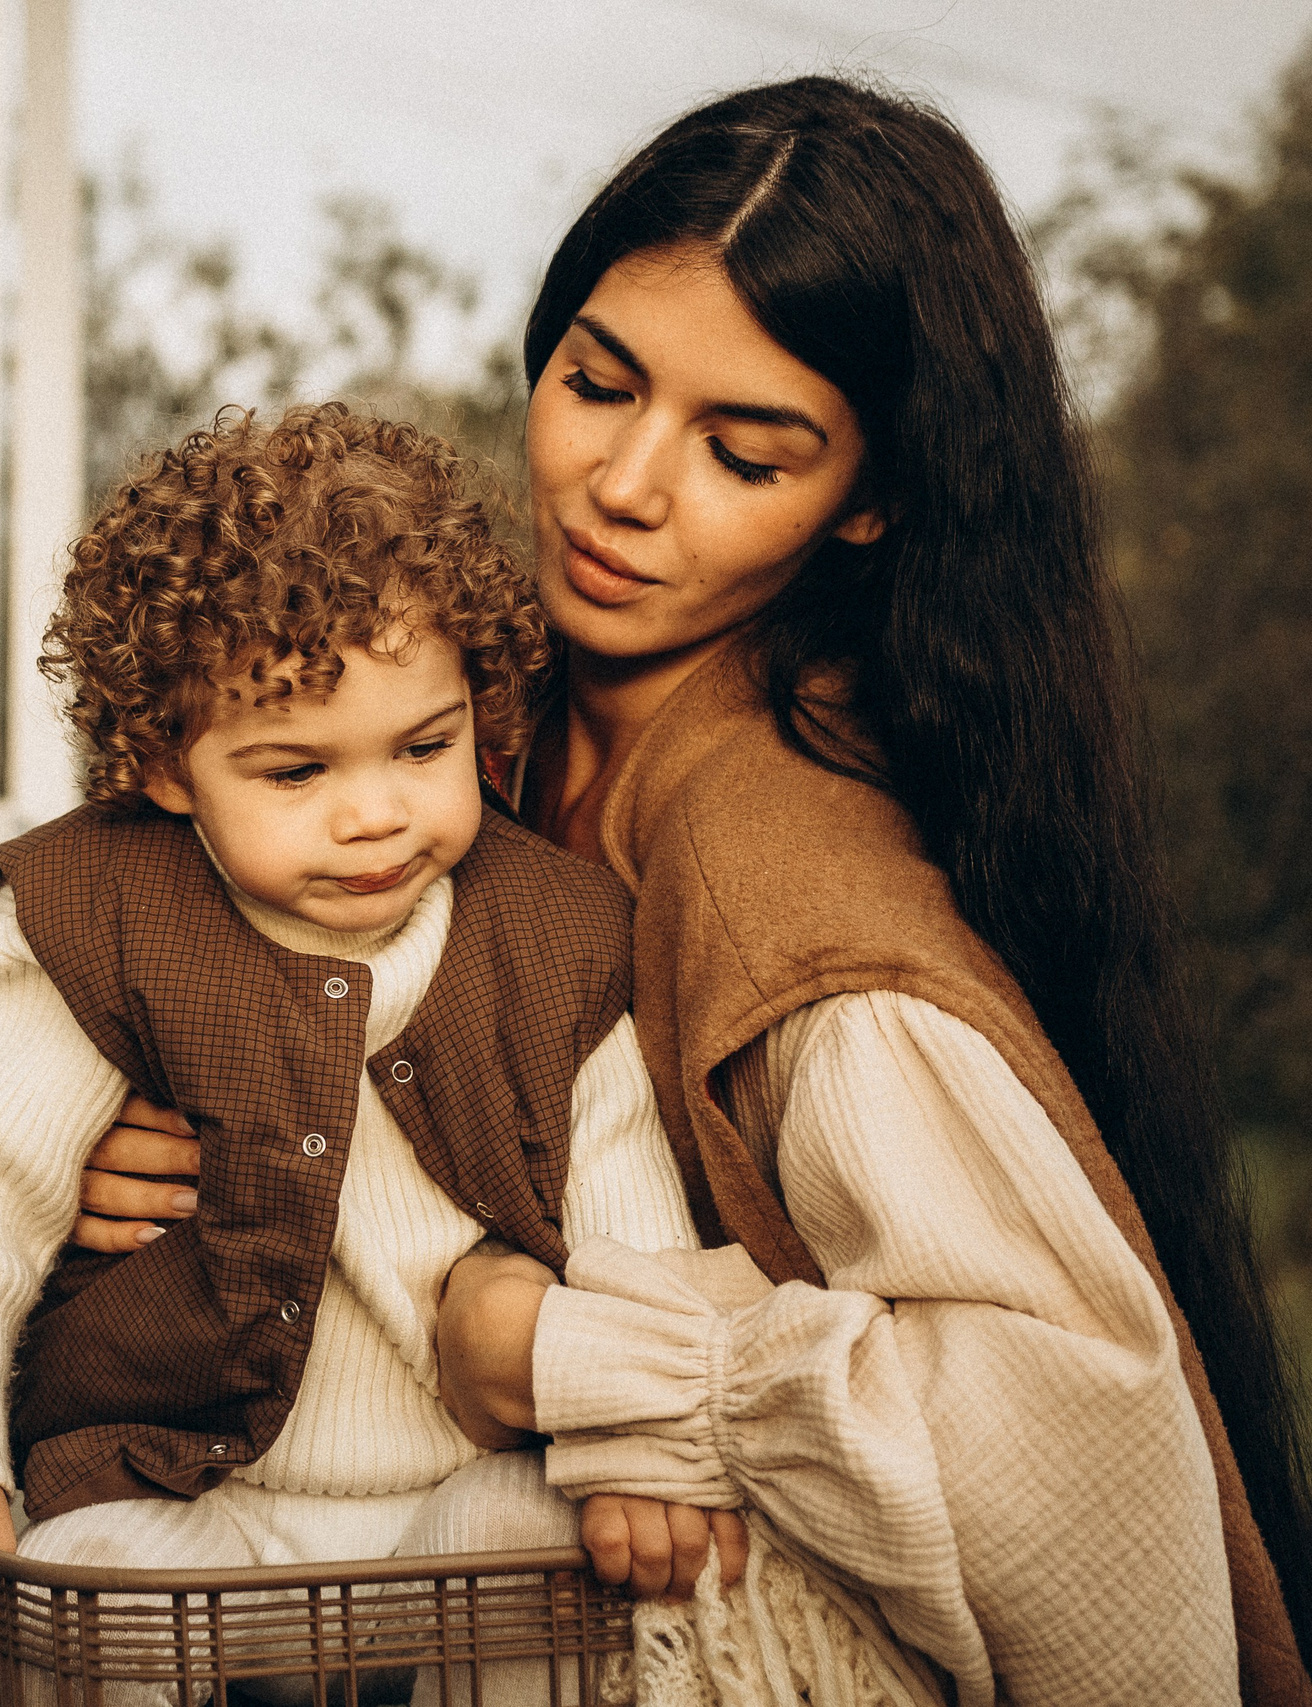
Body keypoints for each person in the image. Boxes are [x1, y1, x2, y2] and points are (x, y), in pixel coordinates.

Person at [76, 78, 1312, 1706]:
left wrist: (571, 1355)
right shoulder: (462, 726)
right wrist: (168, 1143)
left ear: (867, 500)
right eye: (599, 383)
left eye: (744, 450)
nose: (625, 486)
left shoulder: (785, 874)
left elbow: (1078, 1449)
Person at [0, 405, 708, 1657]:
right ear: (159, 762)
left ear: (477, 704)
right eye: (295, 772)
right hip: (190, 1491)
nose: (375, 814)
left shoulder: (558, 933)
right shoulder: (86, 917)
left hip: (463, 1488)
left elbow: (630, 1215)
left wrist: (644, 1442)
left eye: (424, 746)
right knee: (67, 1590)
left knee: (566, 1566)